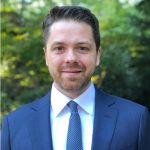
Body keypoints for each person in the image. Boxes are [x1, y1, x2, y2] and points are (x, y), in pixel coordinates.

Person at [1, 6, 150, 150]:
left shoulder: (136, 119)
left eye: (82, 48)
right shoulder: (14, 124)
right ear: (46, 55)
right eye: (59, 48)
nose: (71, 58)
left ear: (97, 55)